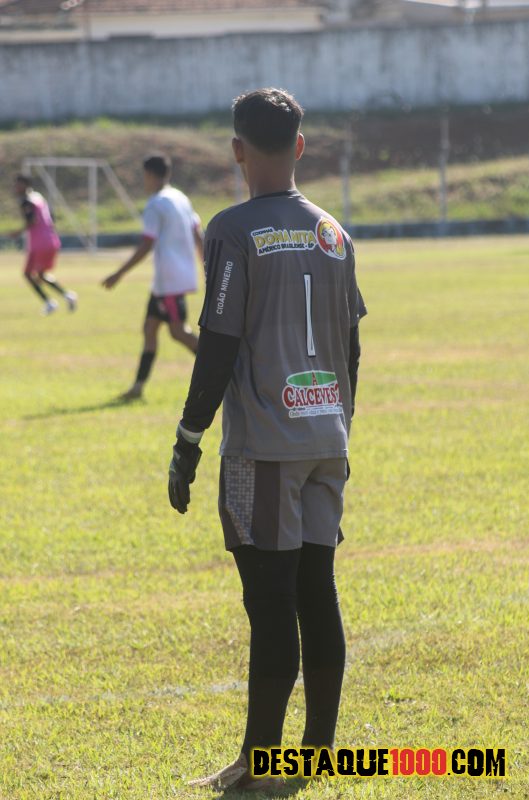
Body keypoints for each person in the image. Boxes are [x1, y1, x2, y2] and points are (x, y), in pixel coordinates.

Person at [167, 88, 367, 792]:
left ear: (237, 150)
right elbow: (352, 346)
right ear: (300, 146)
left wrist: (188, 438)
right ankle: (313, 755)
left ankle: (261, 762)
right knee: (317, 591)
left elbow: (218, 344)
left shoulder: (232, 229)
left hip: (266, 447)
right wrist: (338, 425)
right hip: (325, 437)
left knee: (271, 603)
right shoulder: (333, 232)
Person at [102, 154, 203, 401]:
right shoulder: (180, 197)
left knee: (178, 332)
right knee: (150, 328)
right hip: (167, 280)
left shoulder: (155, 204)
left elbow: (147, 244)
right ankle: (137, 388)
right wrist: (206, 264)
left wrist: (119, 273)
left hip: (169, 280)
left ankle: (228, 370)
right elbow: (197, 232)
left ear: (149, 175)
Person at [11, 174, 77, 316]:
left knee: (29, 274)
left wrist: (17, 232)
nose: (15, 188)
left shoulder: (26, 201)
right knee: (39, 274)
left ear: (25, 185)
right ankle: (66, 296)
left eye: (17, 184)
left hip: (39, 243)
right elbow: (51, 217)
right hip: (50, 240)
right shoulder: (38, 197)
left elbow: (32, 221)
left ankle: (50, 302)